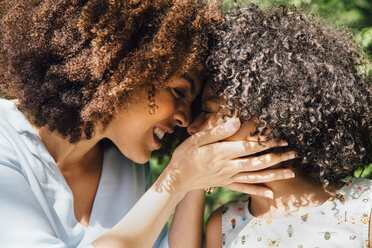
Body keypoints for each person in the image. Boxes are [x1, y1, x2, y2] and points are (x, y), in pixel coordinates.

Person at [0, 1, 296, 247]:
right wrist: (177, 179)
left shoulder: (126, 165)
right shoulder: (5, 139)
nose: (183, 118)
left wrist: (194, 176)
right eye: (178, 92)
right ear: (122, 66)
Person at [187, 4, 372, 248]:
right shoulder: (223, 225)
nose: (192, 127)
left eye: (208, 111)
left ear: (271, 119)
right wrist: (192, 178)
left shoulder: (364, 206)